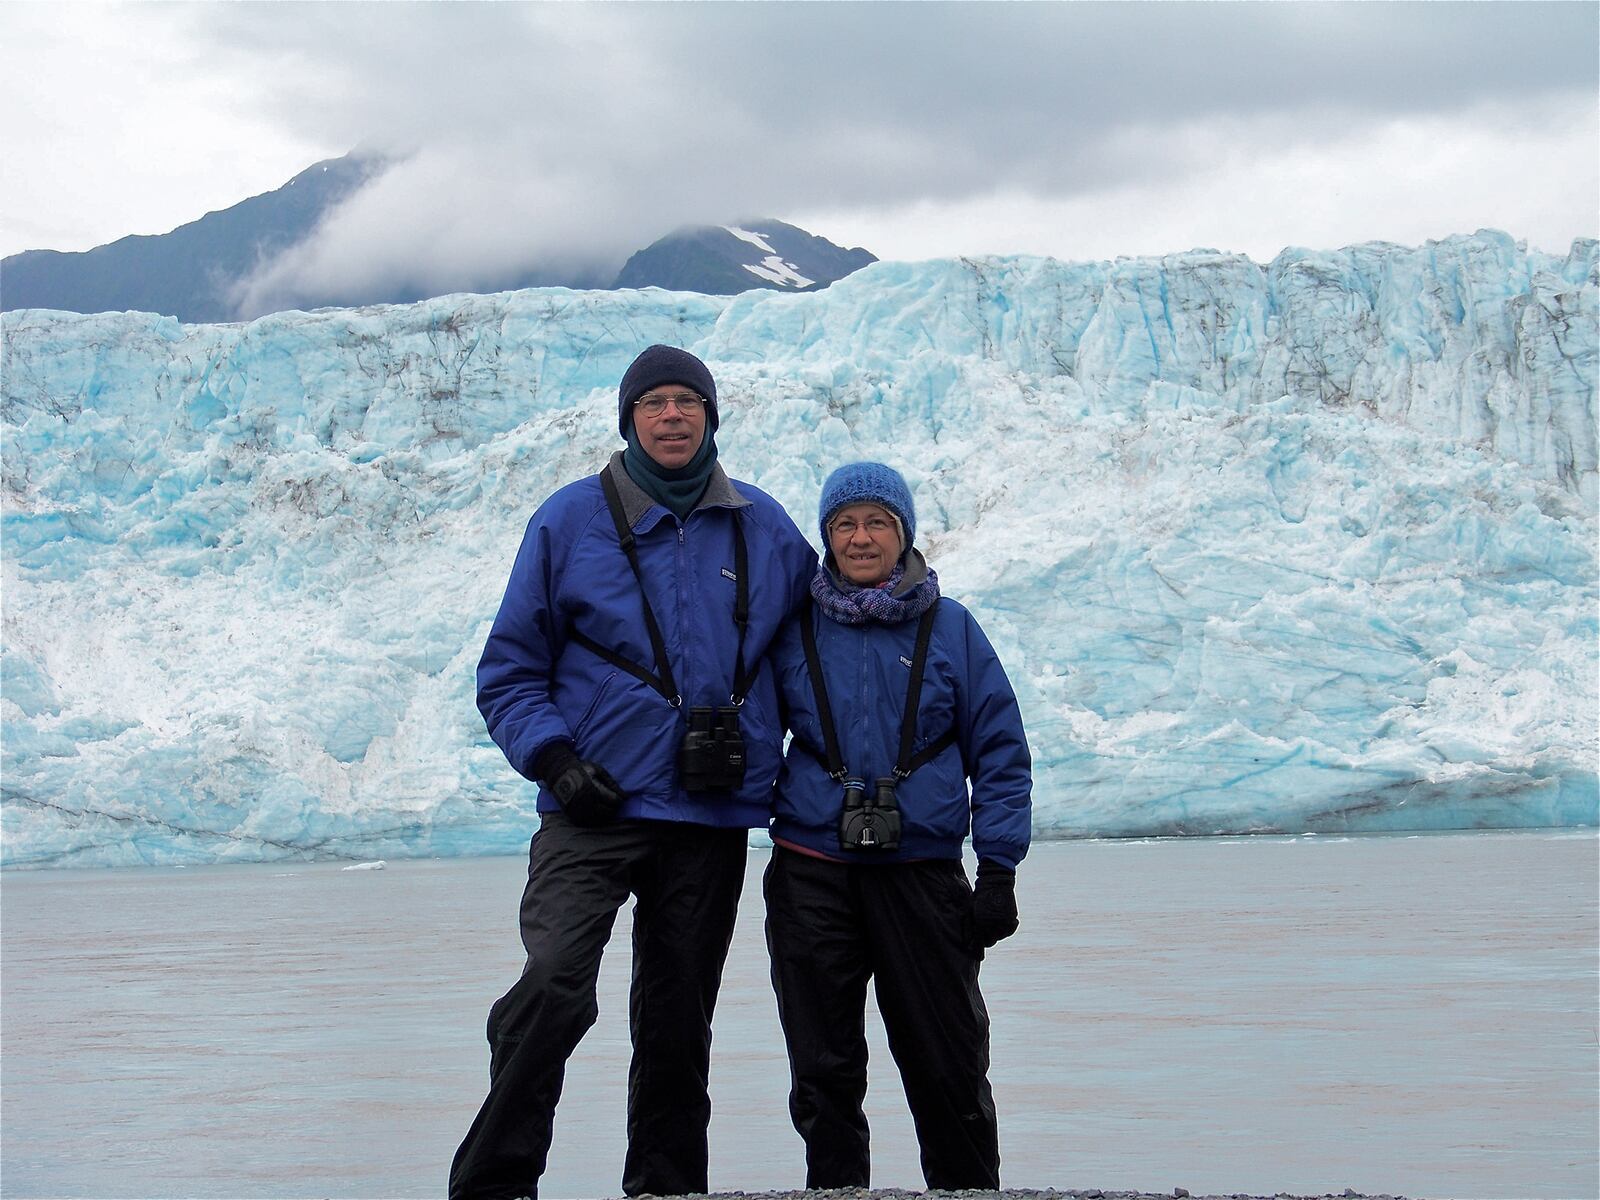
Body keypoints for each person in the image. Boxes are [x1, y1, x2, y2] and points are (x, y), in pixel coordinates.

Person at [450, 345, 816, 1200]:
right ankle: (495, 1186)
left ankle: (664, 1190)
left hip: (710, 815)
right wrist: (555, 760)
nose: (673, 415)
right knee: (552, 987)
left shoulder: (765, 527)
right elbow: (508, 670)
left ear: (711, 417)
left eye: (689, 400)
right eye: (654, 402)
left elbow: (820, 660)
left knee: (679, 1027)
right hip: (591, 810)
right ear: (629, 421)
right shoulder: (569, 521)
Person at [763, 461, 1032, 1190]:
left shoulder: (952, 628)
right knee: (823, 1074)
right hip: (811, 869)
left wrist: (998, 870)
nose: (860, 537)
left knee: (949, 1065)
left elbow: (1001, 751)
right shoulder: (791, 628)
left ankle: (967, 1193)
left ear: (903, 533)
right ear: (826, 538)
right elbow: (755, 739)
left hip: (922, 875)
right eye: (844, 524)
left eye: (877, 521)